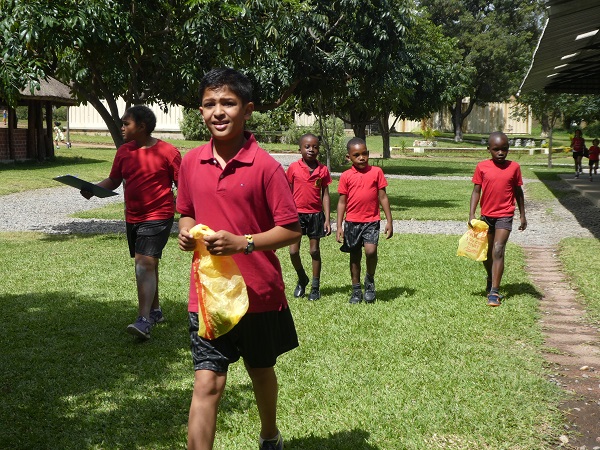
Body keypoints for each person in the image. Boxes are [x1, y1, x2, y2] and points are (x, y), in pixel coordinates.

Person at [176, 68, 301, 450]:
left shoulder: (265, 167)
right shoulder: (190, 162)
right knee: (207, 383)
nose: (218, 111)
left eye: (228, 103)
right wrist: (187, 231)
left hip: (258, 294)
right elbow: (186, 211)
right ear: (200, 110)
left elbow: (291, 230)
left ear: (247, 110)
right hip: (209, 295)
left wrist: (243, 243)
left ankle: (269, 435)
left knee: (260, 371)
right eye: (210, 104)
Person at [81, 105, 181, 339]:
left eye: (126, 124)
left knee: (143, 263)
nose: (122, 128)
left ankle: (143, 320)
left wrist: (183, 209)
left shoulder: (168, 152)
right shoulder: (124, 151)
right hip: (133, 216)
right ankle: (155, 311)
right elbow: (114, 180)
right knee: (149, 263)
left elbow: (183, 184)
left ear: (142, 126)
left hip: (159, 215)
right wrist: (92, 189)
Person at [469, 131, 527, 307]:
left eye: (504, 149)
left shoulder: (514, 167)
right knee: (487, 253)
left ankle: (494, 291)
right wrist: (471, 215)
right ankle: (490, 277)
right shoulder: (482, 167)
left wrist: (522, 215)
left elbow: (518, 192)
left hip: (505, 214)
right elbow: (476, 191)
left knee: (498, 249)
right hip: (486, 216)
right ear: (489, 149)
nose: (501, 153)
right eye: (496, 149)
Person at [336, 137, 393, 304]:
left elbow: (383, 197)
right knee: (354, 256)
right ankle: (356, 289)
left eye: (365, 154)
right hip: (352, 222)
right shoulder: (346, 176)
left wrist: (389, 221)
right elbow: (342, 202)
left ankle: (369, 281)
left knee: (370, 251)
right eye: (356, 155)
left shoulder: (376, 172)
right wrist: (339, 226)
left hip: (371, 220)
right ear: (349, 157)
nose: (362, 158)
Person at [286, 133, 332, 301]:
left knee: (314, 251)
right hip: (296, 215)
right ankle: (302, 278)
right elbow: (286, 191)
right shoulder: (293, 168)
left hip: (315, 215)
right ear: (300, 149)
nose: (311, 149)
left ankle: (315, 286)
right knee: (293, 251)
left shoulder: (323, 170)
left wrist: (327, 219)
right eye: (307, 147)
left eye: (315, 147)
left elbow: (325, 195)